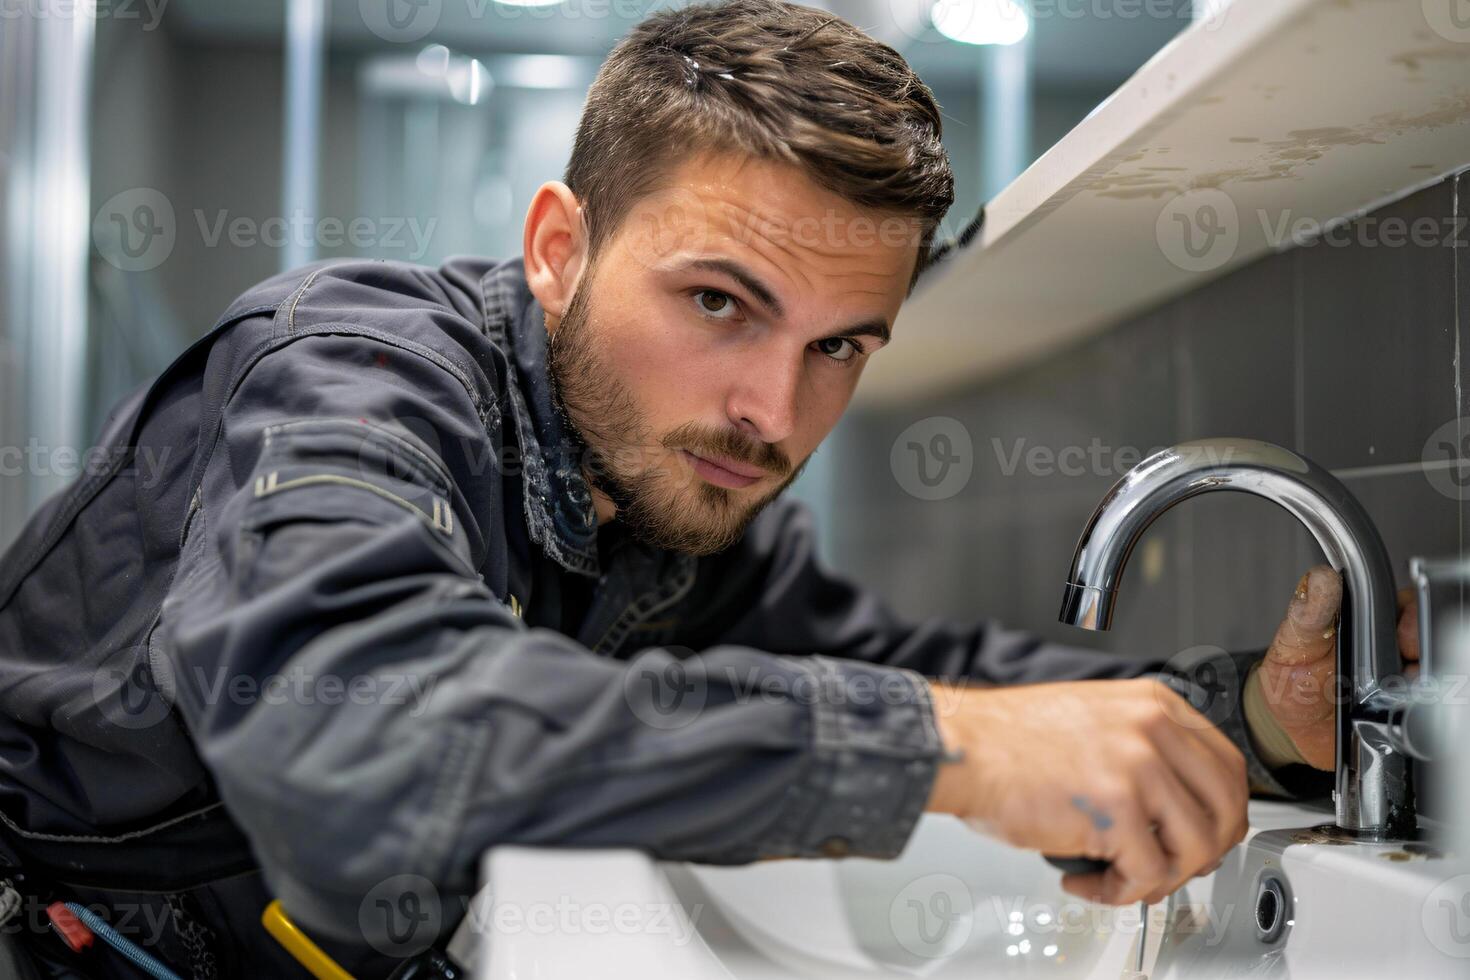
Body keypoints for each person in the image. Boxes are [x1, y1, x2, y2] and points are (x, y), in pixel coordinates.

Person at [0, 1, 1419, 977]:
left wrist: (1239, 713)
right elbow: (356, 728)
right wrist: (949, 755)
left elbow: (919, 668)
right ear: (558, 248)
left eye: (838, 346)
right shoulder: (360, 379)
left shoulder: (665, 494)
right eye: (719, 302)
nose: (773, 412)